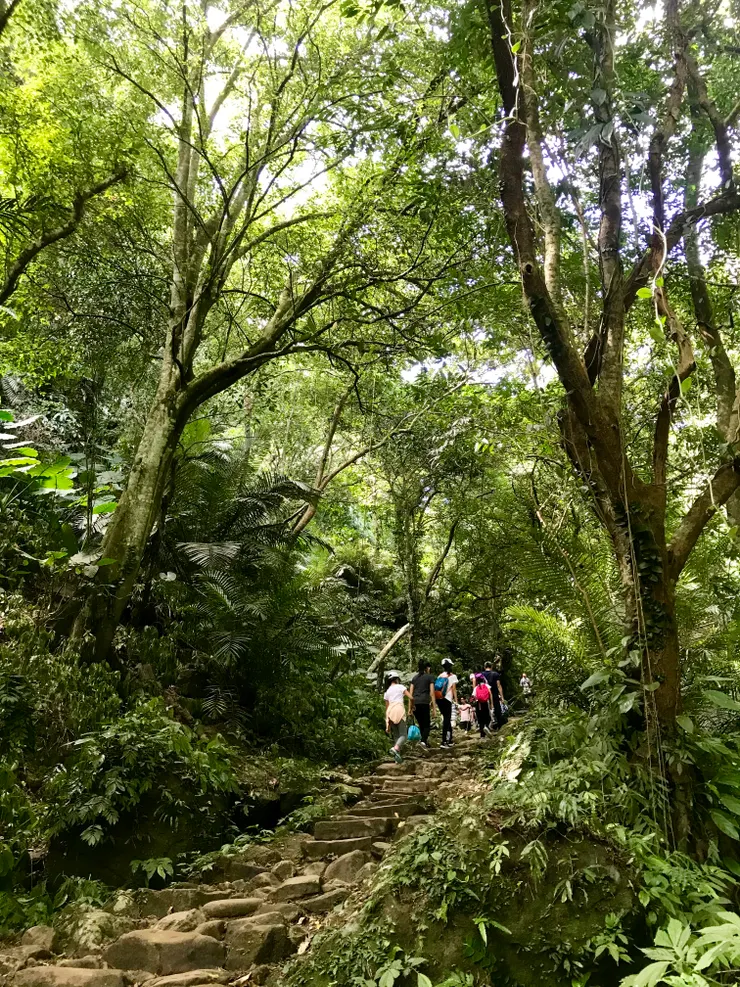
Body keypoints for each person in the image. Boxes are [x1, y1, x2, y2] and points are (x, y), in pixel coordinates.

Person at [384, 672, 412, 763]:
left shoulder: (387, 692)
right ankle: (395, 748)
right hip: (399, 710)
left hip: (390, 712)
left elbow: (387, 707)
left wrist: (387, 721)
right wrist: (412, 708)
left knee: (396, 735)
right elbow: (411, 697)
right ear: (396, 679)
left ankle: (397, 758)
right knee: (404, 735)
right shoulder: (400, 687)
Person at [410, 659, 437, 748]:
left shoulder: (414, 678)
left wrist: (410, 708)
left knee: (421, 724)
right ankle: (423, 741)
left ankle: (424, 742)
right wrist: (434, 709)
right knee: (427, 725)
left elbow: (411, 693)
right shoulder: (430, 677)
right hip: (424, 702)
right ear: (427, 668)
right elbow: (432, 693)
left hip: (415, 703)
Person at [435, 658, 458, 748]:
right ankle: (444, 741)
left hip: (439, 699)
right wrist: (456, 701)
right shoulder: (453, 676)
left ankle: (450, 739)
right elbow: (454, 689)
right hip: (447, 699)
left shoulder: (440, 676)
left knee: (446, 718)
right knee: (447, 719)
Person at [483, 660, 506, 729]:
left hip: (485, 695)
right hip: (494, 694)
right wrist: (502, 697)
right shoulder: (495, 674)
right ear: (491, 667)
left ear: (484, 667)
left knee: (485, 710)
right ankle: (499, 725)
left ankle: (486, 726)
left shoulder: (481, 675)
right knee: (497, 709)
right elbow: (499, 686)